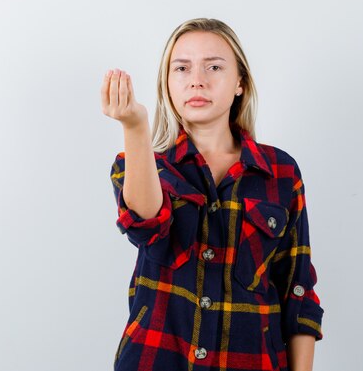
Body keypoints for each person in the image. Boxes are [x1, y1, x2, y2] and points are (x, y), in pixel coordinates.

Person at [100, 18, 324, 371]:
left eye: (214, 66)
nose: (197, 79)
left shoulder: (280, 172)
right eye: (182, 68)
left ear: (239, 83)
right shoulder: (140, 163)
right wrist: (135, 126)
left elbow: (297, 290)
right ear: (167, 83)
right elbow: (146, 226)